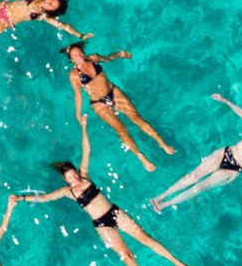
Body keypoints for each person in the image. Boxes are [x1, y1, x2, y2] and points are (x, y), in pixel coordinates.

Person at [15, 116, 194, 266]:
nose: (75, 178)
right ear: (65, 180)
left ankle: (177, 262)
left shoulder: (85, 175)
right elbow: (45, 197)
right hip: (102, 225)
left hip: (114, 213)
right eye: (70, 177)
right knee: (127, 256)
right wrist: (22, 198)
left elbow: (87, 149)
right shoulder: (66, 192)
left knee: (146, 239)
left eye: (74, 174)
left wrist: (84, 126)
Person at [150, 94, 242, 213]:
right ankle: (160, 197)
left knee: (198, 188)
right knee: (194, 176)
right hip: (226, 153)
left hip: (233, 169)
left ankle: (163, 205)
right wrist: (225, 100)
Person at [63, 42, 174, 172]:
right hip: (99, 103)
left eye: (80, 52)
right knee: (121, 130)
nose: (80, 56)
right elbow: (78, 95)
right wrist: (78, 114)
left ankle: (161, 142)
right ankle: (141, 158)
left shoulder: (94, 58)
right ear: (71, 60)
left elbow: (109, 58)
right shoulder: (74, 75)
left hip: (113, 92)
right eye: (75, 56)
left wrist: (120, 54)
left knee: (137, 118)